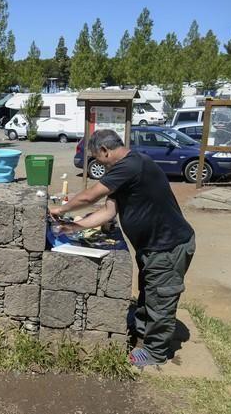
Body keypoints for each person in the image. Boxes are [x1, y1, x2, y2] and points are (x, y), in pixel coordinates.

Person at [50, 129, 195, 368]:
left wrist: (59, 210)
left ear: (105, 151)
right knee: (149, 291)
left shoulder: (132, 165)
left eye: (96, 157)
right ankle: (140, 332)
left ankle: (155, 352)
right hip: (152, 247)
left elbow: (89, 198)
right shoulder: (125, 168)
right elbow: (108, 210)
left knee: (161, 298)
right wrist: (72, 228)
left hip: (169, 246)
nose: (96, 163)